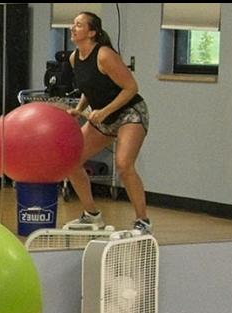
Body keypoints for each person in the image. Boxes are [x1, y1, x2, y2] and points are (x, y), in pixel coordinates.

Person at [63, 11, 151, 234]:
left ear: (92, 32)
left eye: (79, 25)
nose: (73, 28)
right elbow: (90, 88)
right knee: (71, 160)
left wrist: (104, 112)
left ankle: (143, 221)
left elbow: (131, 88)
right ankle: (92, 215)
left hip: (129, 113)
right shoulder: (75, 58)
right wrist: (80, 109)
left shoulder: (104, 55)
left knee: (123, 165)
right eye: (73, 24)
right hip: (102, 116)